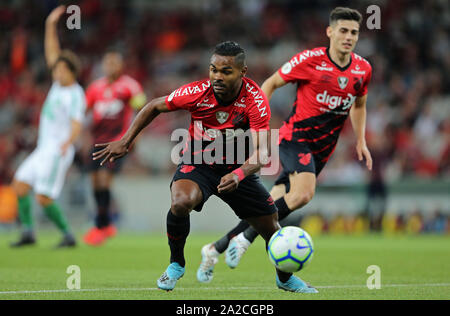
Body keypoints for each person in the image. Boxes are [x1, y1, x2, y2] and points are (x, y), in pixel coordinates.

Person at [93, 41, 318, 293]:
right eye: (213, 70)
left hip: (237, 169)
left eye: (226, 71)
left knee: (271, 228)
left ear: (242, 72)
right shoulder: (198, 91)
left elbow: (262, 153)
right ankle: (176, 264)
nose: (217, 77)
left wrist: (239, 173)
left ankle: (284, 279)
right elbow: (155, 105)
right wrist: (125, 141)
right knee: (180, 202)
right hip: (198, 163)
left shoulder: (255, 100)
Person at [197, 7, 373, 282]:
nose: (348, 37)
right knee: (303, 194)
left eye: (354, 32)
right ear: (330, 32)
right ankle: (245, 238)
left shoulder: (363, 69)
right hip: (295, 137)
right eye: (343, 30)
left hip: (322, 149)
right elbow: (271, 83)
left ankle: (215, 248)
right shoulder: (310, 60)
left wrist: (361, 139)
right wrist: (255, 123)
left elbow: (359, 104)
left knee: (269, 207)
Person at [10, 6, 85, 248]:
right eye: (57, 69)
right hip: (44, 149)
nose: (57, 71)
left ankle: (68, 235)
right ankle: (29, 233)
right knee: (20, 185)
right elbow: (53, 52)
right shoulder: (58, 86)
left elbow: (77, 123)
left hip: (57, 150)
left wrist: (66, 143)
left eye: (62, 69)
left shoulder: (75, 94)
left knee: (43, 197)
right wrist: (49, 25)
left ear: (72, 71)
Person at [83, 50, 146, 246]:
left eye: (114, 63)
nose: (110, 66)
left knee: (104, 180)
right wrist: (83, 137)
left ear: (121, 65)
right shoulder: (95, 88)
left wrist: (135, 138)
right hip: (96, 141)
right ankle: (106, 224)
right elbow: (84, 112)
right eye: (107, 63)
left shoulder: (130, 86)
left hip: (116, 141)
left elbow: (142, 112)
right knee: (95, 183)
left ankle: (100, 227)